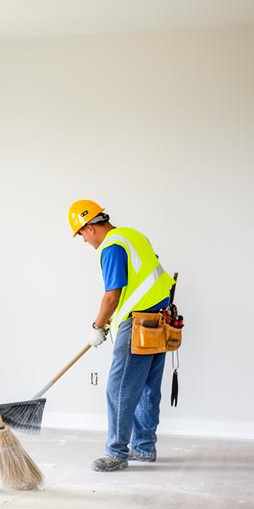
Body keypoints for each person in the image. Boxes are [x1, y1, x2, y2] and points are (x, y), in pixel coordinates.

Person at [69, 200, 175, 472]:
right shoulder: (133, 236)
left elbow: (112, 295)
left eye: (81, 234)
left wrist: (97, 326)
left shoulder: (112, 246)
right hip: (159, 320)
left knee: (120, 388)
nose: (83, 240)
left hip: (136, 325)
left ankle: (116, 453)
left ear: (90, 227)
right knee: (148, 388)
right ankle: (144, 446)